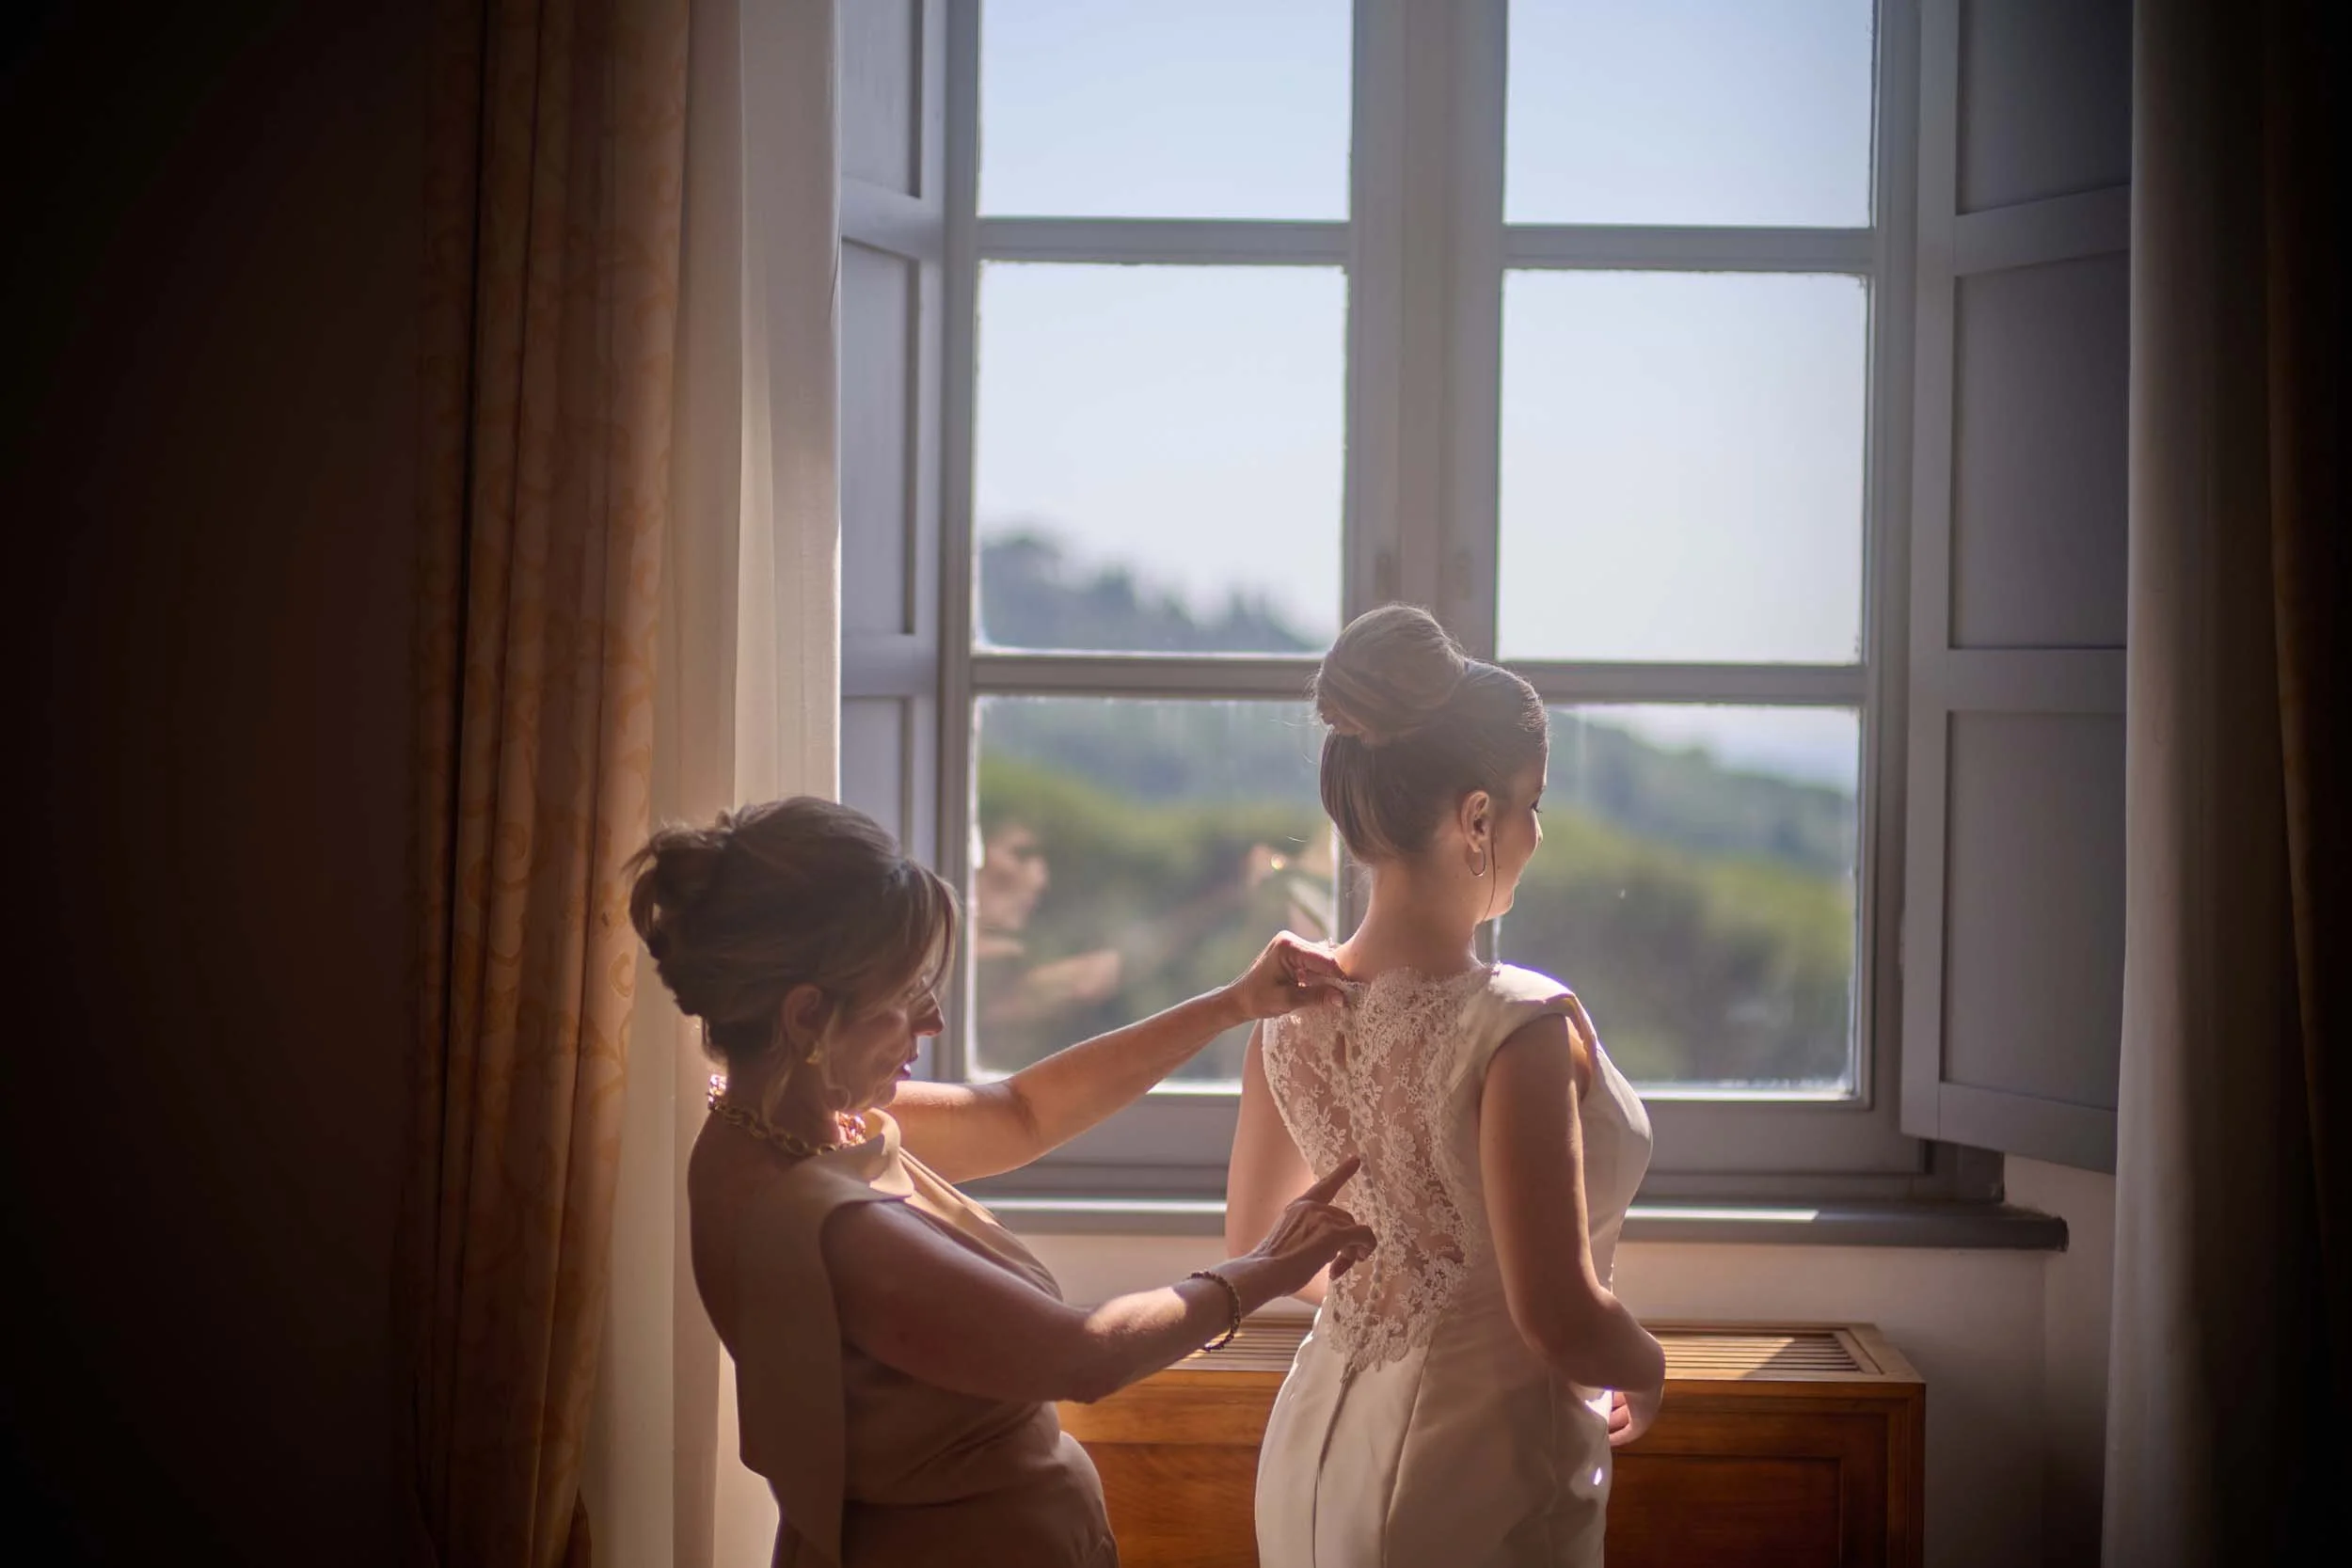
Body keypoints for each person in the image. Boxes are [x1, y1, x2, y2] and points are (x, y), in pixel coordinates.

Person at [628, 797, 1375, 1568]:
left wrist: (1233, 1003)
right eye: (900, 997)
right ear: (806, 1016)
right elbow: (1079, 1355)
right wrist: (1260, 1270)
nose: (931, 1023)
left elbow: (1019, 1113)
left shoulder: (779, 1123)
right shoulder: (823, 1223)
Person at [1225, 605, 1665, 1567]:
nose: (1535, 831)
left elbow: (1256, 1247)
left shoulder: (1290, 1008)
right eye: (1531, 802)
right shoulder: (1516, 1022)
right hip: (1471, 1471)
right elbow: (1556, 1315)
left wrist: (1393, 1285)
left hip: (1315, 1454)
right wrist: (1649, 1363)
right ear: (1478, 817)